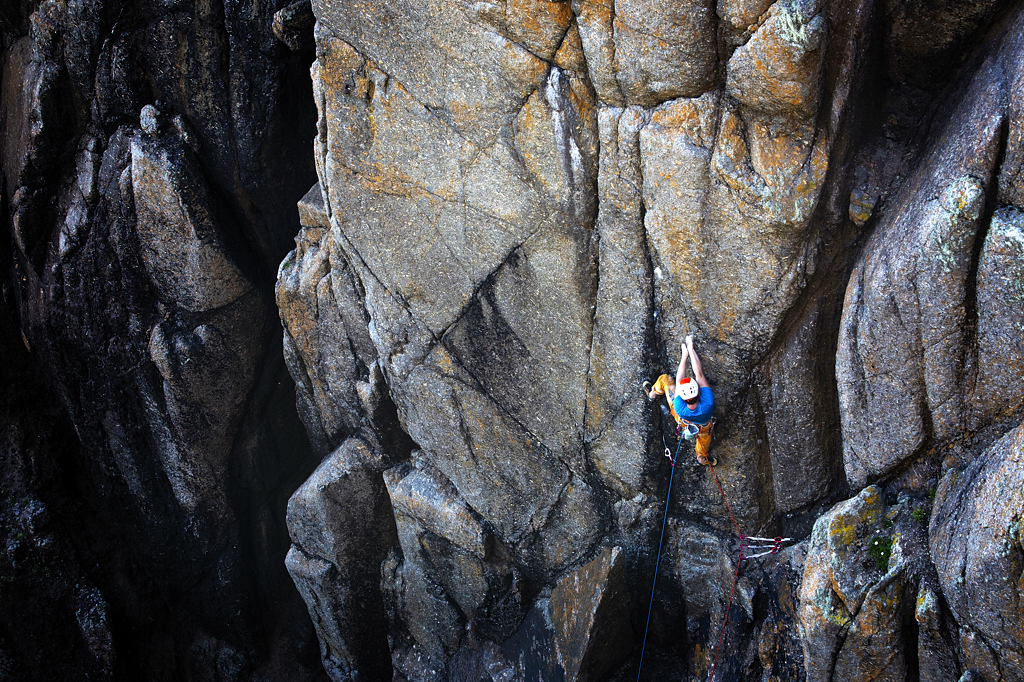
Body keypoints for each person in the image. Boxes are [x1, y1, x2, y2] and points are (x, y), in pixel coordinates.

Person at [646, 335, 715, 465]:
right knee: (705, 437)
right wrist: (691, 348)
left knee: (665, 379)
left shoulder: (679, 407)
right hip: (704, 425)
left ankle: (653, 394)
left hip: (683, 420)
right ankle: (701, 458)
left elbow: (678, 380)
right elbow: (699, 373)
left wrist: (684, 356)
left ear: (683, 399)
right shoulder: (707, 403)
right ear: (699, 392)